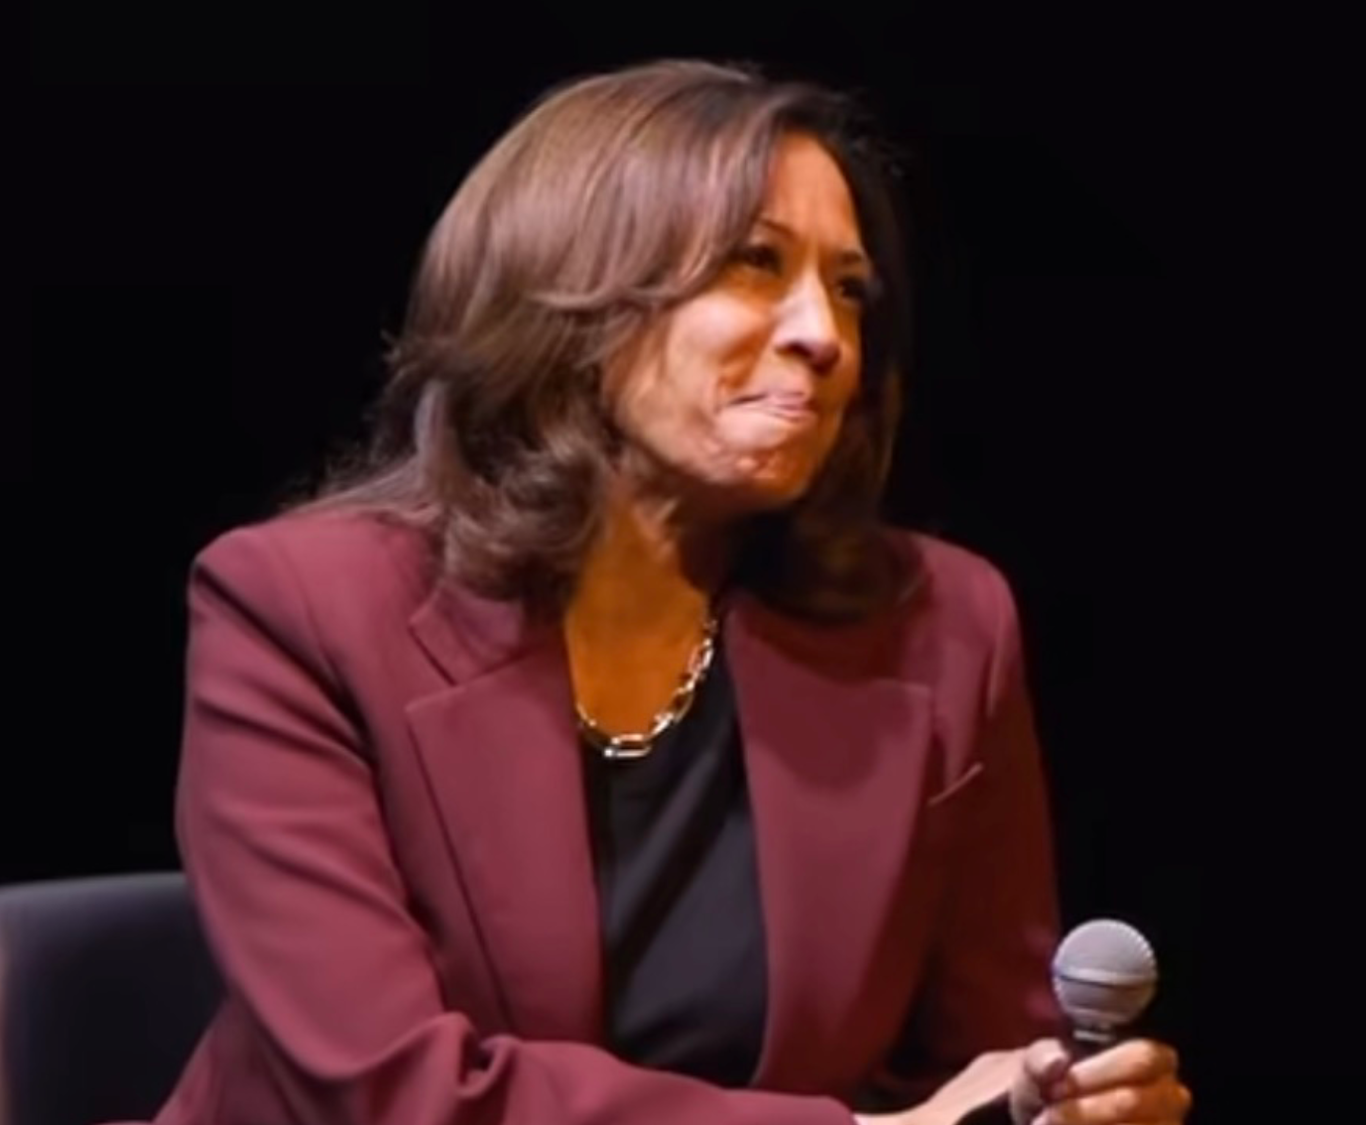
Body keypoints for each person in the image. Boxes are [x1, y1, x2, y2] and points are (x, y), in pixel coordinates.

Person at [139, 58, 1190, 1125]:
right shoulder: (299, 609)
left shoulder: (943, 624)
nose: (824, 335)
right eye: (755, 262)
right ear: (575, 292)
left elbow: (975, 1067)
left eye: (848, 288)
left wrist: (1051, 1105)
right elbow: (391, 1091)